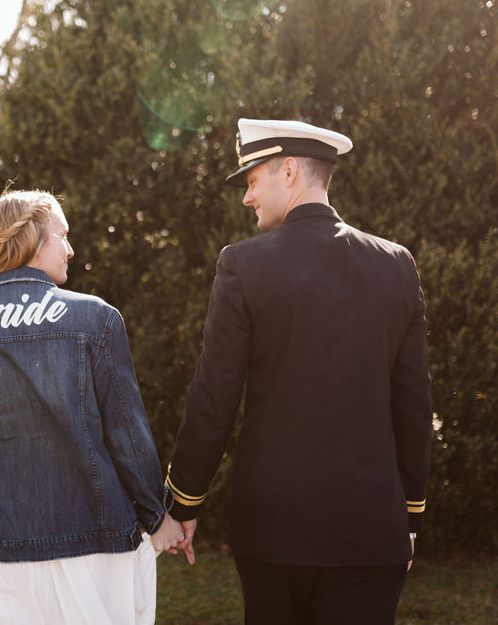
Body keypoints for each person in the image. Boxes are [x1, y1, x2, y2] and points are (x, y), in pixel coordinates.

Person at [164, 119, 432, 624]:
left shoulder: (243, 265)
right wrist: (410, 515)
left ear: (288, 171)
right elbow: (414, 403)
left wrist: (184, 502)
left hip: (273, 531)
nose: (247, 198)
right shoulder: (397, 264)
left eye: (251, 181)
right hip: (373, 530)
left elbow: (214, 396)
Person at [0, 189, 184, 624]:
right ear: (30, 240)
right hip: (98, 536)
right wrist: (158, 515)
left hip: (7, 540)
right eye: (61, 236)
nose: (70, 249)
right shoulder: (96, 318)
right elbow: (127, 434)